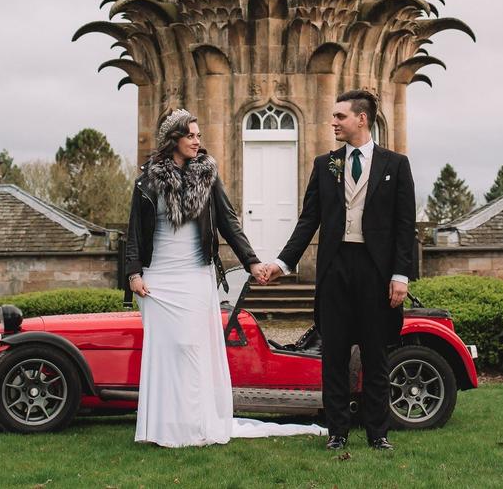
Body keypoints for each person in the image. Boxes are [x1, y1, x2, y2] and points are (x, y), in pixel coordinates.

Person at [124, 108, 326, 447]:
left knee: (191, 346)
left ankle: (196, 423)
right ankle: (167, 426)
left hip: (195, 275)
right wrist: (133, 273)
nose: (197, 140)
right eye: (190, 135)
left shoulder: (208, 175)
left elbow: (229, 223)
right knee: (167, 350)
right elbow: (133, 233)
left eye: (198, 134)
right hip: (159, 277)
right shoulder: (148, 179)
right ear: (173, 139)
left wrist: (251, 262)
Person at [262, 89, 416, 452]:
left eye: (339, 117)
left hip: (376, 272)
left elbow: (404, 225)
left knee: (376, 355)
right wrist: (283, 263)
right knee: (333, 354)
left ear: (361, 119)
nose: (333, 122)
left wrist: (401, 275)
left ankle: (378, 433)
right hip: (335, 269)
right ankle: (337, 432)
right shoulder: (324, 164)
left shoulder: (395, 165)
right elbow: (308, 221)